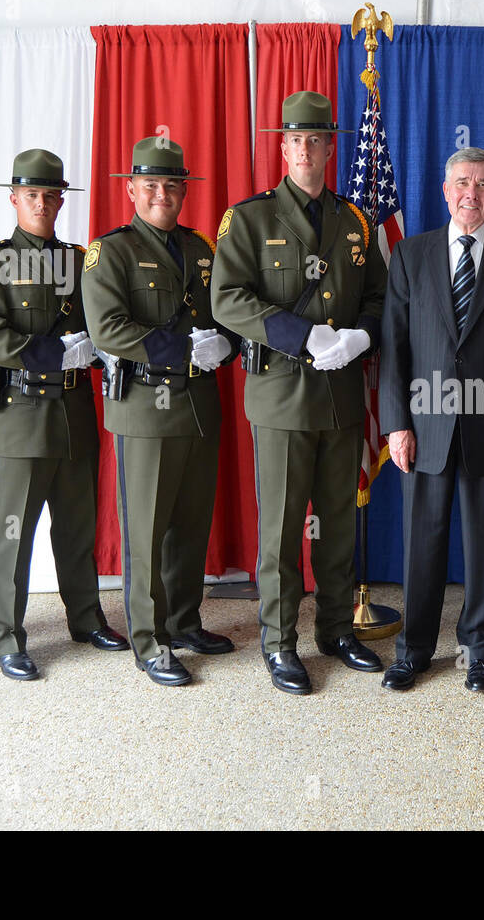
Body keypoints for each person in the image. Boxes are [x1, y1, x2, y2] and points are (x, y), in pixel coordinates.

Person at [211, 91, 387, 696]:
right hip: (283, 394)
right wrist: (302, 333)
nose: (306, 149)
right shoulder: (250, 219)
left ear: (332, 147)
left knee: (338, 523)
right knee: (284, 528)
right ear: (282, 147)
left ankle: (336, 629)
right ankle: (280, 641)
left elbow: (379, 297)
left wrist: (362, 334)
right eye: (295, 140)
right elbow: (226, 298)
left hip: (340, 397)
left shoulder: (355, 219)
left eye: (317, 139)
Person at [378, 148, 484, 692]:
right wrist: (395, 423)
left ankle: (481, 648)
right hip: (424, 424)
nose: (470, 193)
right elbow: (394, 347)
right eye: (460, 183)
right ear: (444, 190)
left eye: (481, 184)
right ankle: (414, 651)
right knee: (421, 541)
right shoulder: (411, 255)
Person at [0, 149, 128, 682]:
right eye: (31, 194)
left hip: (75, 413)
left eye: (50, 195)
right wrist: (56, 353)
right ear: (14, 199)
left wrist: (102, 349)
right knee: (12, 533)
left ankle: (85, 617)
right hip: (19, 418)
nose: (41, 202)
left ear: (61, 200)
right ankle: (6, 634)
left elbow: (104, 324)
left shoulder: (82, 262)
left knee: (77, 528)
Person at [82, 137, 236, 687]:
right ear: (131, 189)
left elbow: (223, 312)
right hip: (147, 406)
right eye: (151, 185)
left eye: (173, 185)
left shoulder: (199, 247)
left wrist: (228, 344)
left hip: (198, 407)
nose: (162, 194)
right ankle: (149, 641)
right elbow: (108, 330)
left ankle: (184, 621)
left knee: (191, 526)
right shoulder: (111, 251)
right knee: (146, 529)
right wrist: (183, 349)